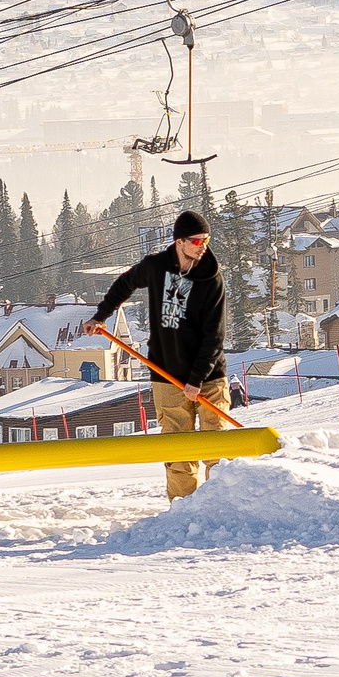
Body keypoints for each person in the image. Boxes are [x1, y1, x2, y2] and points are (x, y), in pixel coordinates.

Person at [90, 209, 227, 500]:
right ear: (180, 242)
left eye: (207, 240)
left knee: (218, 449)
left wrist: (196, 379)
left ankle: (220, 508)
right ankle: (182, 512)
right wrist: (100, 316)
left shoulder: (211, 279)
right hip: (166, 375)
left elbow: (214, 336)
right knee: (178, 452)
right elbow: (124, 284)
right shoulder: (156, 267)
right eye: (197, 241)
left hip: (209, 377)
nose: (203, 246)